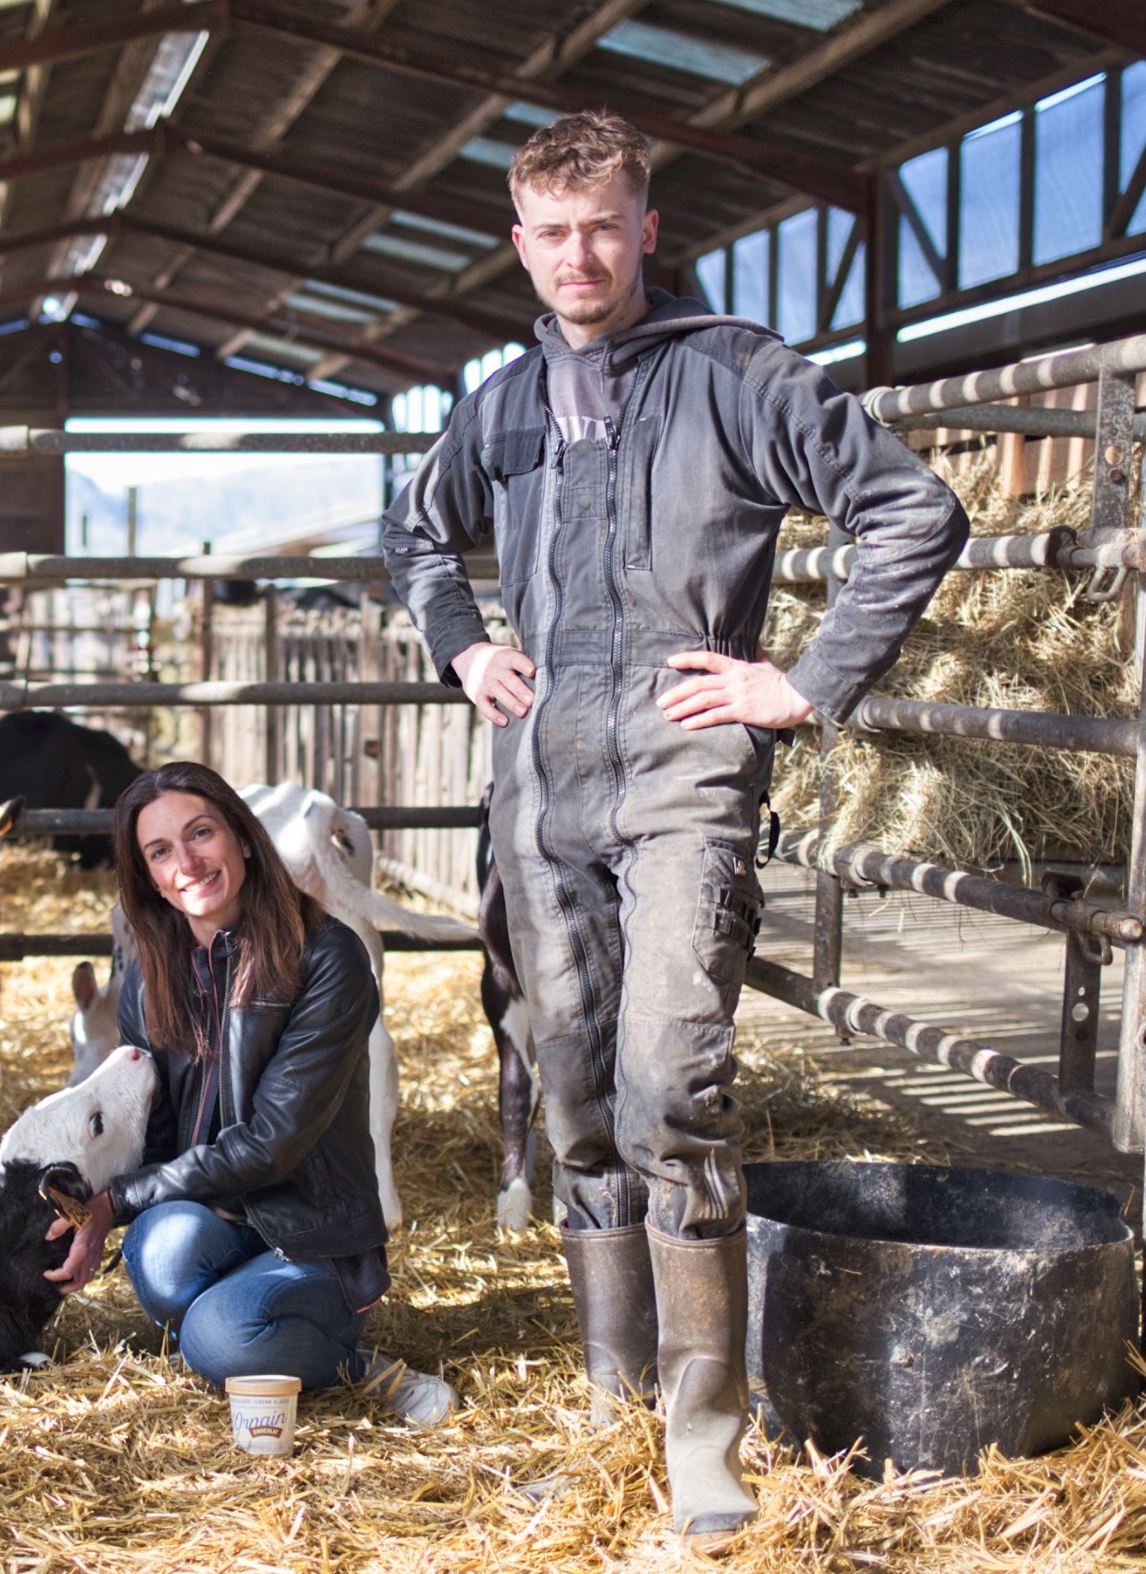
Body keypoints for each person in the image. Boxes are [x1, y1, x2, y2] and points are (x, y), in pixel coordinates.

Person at [382, 112, 967, 1539]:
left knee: (669, 1083)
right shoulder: (501, 404)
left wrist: (801, 681)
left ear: (644, 228)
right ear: (519, 244)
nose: (578, 255)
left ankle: (704, 1435)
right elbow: (412, 533)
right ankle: (612, 1417)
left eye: (603, 226)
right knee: (574, 1099)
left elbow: (911, 509)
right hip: (541, 795)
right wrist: (463, 643)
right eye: (552, 232)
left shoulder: (736, 374)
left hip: (683, 784)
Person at [46, 761, 455, 1426]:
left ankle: (356, 1366)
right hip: (213, 1216)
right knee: (160, 1260)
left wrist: (113, 1202)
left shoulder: (328, 958)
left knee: (217, 1341)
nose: (187, 863)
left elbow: (271, 1143)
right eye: (160, 851)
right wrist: (59, 1199)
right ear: (147, 876)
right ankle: (247, 1326)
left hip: (311, 1231)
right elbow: (145, 1134)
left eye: (200, 833)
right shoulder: (148, 981)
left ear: (241, 835)